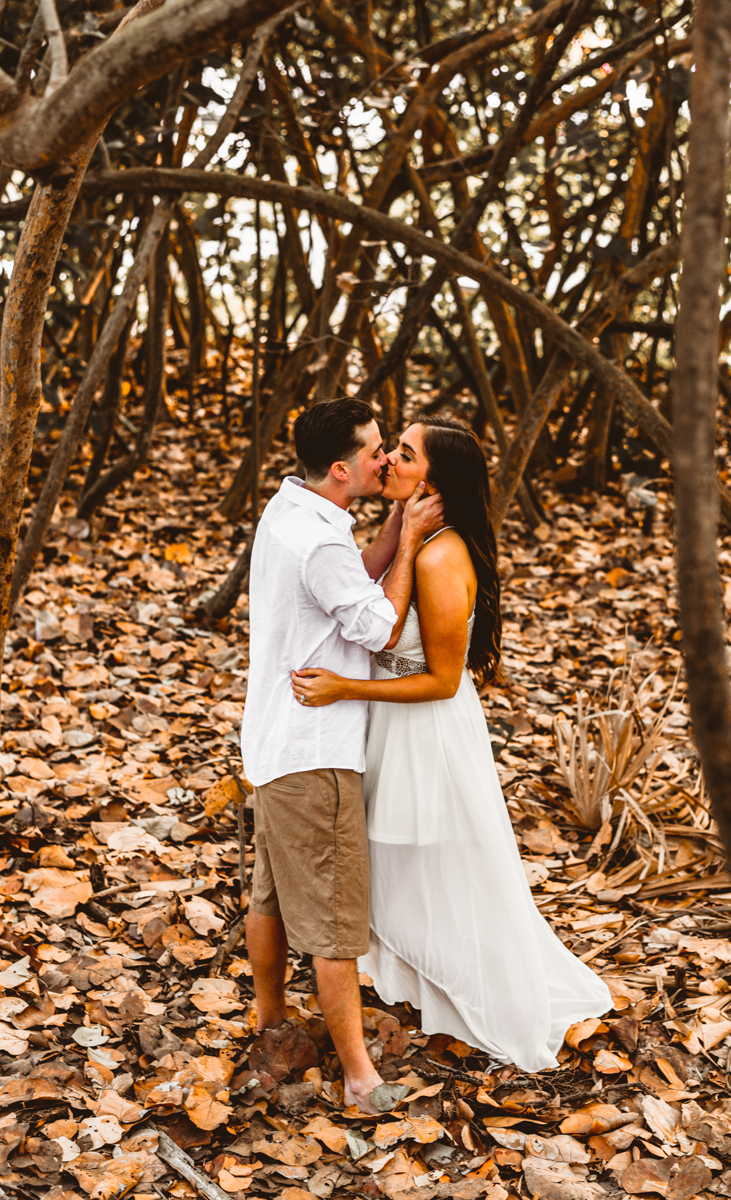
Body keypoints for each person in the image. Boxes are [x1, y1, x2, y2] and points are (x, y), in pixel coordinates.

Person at [291, 417, 613, 1070]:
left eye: (403, 456)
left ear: (432, 483)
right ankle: (425, 988)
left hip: (425, 732)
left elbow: (441, 681)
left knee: (440, 873)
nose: (387, 462)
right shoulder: (423, 538)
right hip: (395, 728)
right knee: (400, 873)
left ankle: (477, 996)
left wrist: (345, 692)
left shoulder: (441, 557)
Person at [241, 396, 444, 1114]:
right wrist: (415, 539)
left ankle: (271, 1025)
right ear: (340, 467)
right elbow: (381, 626)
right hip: (315, 751)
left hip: (270, 742)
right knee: (333, 919)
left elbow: (348, 579)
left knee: (269, 894)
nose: (385, 457)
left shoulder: (290, 508)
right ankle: (359, 1074)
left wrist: (393, 523)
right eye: (374, 449)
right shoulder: (320, 542)